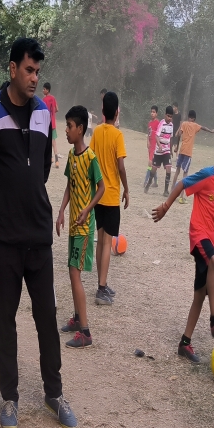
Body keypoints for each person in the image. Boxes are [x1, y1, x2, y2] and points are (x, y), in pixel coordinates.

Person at [0, 37, 77, 428]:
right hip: (6, 240)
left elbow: (43, 166)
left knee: (47, 317)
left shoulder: (44, 115)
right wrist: (1, 204)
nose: (34, 78)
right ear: (12, 68)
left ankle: (54, 394)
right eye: (29, 70)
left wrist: (28, 197)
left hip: (39, 237)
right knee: (6, 318)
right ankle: (10, 398)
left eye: (38, 72)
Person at [152, 138, 214, 362]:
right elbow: (182, 184)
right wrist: (165, 207)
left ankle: (185, 343)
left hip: (210, 238)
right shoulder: (207, 175)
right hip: (198, 235)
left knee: (200, 295)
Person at [56, 105, 105, 349]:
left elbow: (102, 188)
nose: (66, 130)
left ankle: (85, 332)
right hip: (73, 224)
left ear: (80, 129)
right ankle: (76, 319)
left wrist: (87, 210)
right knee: (70, 271)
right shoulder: (71, 157)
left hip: (85, 227)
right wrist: (62, 211)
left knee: (75, 273)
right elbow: (70, 186)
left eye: (69, 126)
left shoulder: (90, 157)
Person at [89, 91, 129, 306]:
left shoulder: (96, 132)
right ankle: (102, 289)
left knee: (100, 239)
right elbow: (121, 166)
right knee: (106, 242)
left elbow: (92, 159)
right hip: (112, 195)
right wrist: (127, 189)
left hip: (99, 194)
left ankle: (101, 283)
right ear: (116, 111)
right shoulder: (117, 135)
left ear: (103, 111)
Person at [172, 109, 214, 203]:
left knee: (177, 171)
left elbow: (179, 134)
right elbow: (203, 128)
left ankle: (172, 192)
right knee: (185, 175)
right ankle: (181, 197)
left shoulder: (183, 124)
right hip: (188, 153)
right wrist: (211, 131)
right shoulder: (195, 125)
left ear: (188, 117)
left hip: (182, 150)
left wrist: (177, 147)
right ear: (194, 118)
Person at [145, 105, 174, 195]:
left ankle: (165, 190)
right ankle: (148, 184)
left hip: (166, 150)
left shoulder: (171, 125)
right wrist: (159, 145)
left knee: (168, 168)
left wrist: (171, 149)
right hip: (158, 151)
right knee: (153, 170)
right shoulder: (161, 123)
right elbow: (156, 136)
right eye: (168, 116)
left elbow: (171, 137)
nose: (170, 118)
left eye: (171, 117)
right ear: (165, 115)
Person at [42, 82, 61, 168]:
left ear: (47, 90)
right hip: (53, 123)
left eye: (44, 89)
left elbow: (43, 112)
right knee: (53, 141)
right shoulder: (53, 98)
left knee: (46, 141)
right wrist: (53, 113)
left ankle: (51, 158)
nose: (43, 90)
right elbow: (57, 109)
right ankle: (56, 160)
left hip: (47, 123)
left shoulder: (44, 99)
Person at [144, 105, 160, 189]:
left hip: (155, 145)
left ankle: (146, 181)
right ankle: (156, 182)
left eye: (154, 112)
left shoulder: (158, 123)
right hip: (150, 145)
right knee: (153, 164)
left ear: (156, 113)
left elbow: (159, 135)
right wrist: (147, 141)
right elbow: (148, 133)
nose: (152, 113)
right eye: (151, 112)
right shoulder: (149, 123)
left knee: (150, 163)